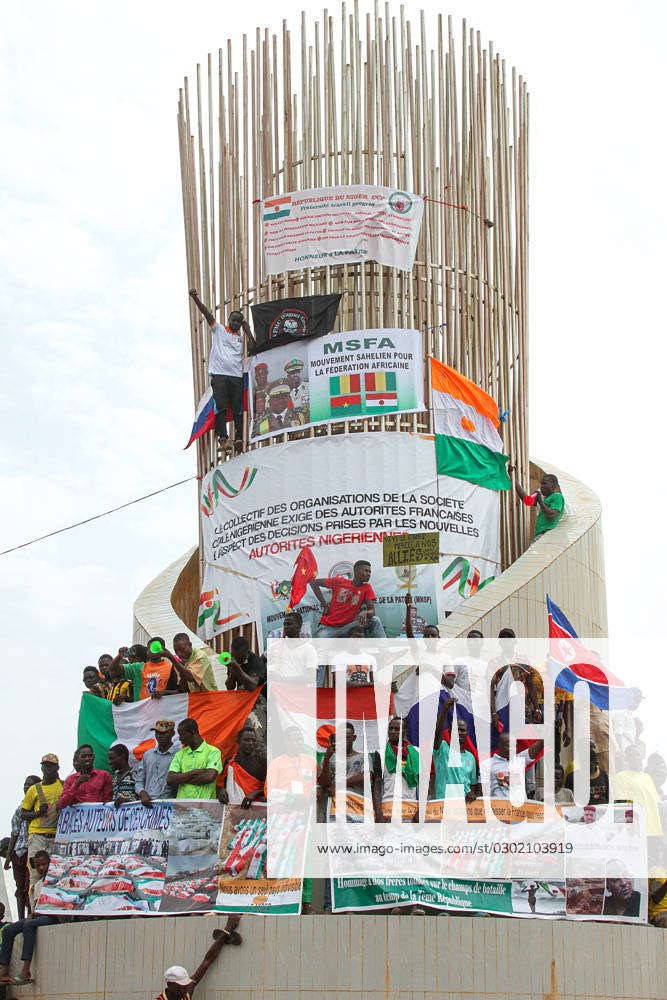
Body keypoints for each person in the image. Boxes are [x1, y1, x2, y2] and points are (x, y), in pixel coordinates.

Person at [189, 288, 256, 451]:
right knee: (220, 405)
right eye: (233, 320)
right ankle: (223, 438)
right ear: (228, 319)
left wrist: (247, 330)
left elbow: (254, 348)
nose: (235, 323)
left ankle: (239, 438)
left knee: (238, 407)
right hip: (219, 375)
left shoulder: (241, 339)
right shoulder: (219, 330)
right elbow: (207, 314)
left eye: (238, 321)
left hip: (236, 376)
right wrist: (195, 298)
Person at [0, 851, 58, 987]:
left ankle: (25, 970)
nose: (41, 868)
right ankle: (3, 970)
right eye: (38, 865)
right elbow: (35, 906)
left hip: (52, 917)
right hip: (38, 916)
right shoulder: (37, 885)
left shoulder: (57, 882)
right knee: (8, 930)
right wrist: (33, 914)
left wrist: (34, 914)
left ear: (50, 864)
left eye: (44, 864)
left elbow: (55, 905)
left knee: (28, 925)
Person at [156, 917, 242, 1000]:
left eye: (185, 985)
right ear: (169, 984)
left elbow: (207, 960)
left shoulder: (184, 994)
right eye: (181, 987)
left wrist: (226, 930)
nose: (184, 990)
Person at [311, 560, 386, 638]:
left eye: (370, 572)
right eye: (366, 571)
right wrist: (325, 606)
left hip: (349, 626)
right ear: (357, 571)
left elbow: (372, 611)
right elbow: (314, 583)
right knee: (321, 641)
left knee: (375, 620)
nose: (369, 574)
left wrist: (365, 612)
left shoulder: (366, 588)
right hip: (330, 627)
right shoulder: (339, 582)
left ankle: (384, 649)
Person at [21, 755, 63, 886]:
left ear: (57, 768)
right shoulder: (34, 789)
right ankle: (35, 904)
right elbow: (23, 813)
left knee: (56, 872)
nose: (47, 769)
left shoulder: (63, 786)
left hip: (56, 834)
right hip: (37, 835)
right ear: (41, 768)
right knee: (35, 873)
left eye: (50, 766)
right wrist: (38, 812)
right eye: (45, 766)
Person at [5, 776, 40, 919]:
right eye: (25, 784)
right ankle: (21, 919)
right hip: (19, 852)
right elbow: (14, 833)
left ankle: (30, 914)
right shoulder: (20, 809)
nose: (26, 787)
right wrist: (8, 856)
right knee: (20, 889)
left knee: (29, 886)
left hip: (32, 850)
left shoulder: (40, 807)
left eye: (30, 785)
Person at [432, 696, 478, 802]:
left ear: (467, 734)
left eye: (462, 730)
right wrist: (444, 709)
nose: (459, 732)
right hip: (443, 805)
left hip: (463, 807)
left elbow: (473, 785)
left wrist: (472, 794)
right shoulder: (442, 749)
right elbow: (437, 733)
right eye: (456, 729)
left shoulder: (470, 757)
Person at [372, 717, 419, 818]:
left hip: (411, 808)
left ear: (405, 731)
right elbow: (376, 784)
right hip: (388, 808)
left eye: (397, 729)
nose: (393, 732)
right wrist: (379, 813)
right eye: (391, 728)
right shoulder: (380, 753)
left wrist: (421, 810)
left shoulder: (417, 752)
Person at [167, 719, 222, 799]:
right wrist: (194, 772)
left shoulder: (213, 752)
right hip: (182, 807)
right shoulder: (180, 754)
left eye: (182, 735)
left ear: (193, 732)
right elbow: (170, 779)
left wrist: (182, 779)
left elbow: (209, 777)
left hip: (205, 807)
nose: (179, 739)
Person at [509, 466, 565, 541]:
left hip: (546, 535)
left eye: (545, 484)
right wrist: (512, 477)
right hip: (540, 534)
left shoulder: (557, 496)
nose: (542, 486)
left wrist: (540, 501)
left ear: (553, 485)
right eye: (541, 484)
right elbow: (527, 500)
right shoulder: (544, 498)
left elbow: (553, 515)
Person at [484, 732, 543, 801]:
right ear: (500, 745)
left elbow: (540, 744)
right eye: (509, 746)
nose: (513, 749)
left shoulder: (519, 759)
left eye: (515, 745)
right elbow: (482, 791)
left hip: (520, 808)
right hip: (499, 808)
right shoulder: (487, 764)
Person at [225, 636, 267, 732]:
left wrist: (237, 668)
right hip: (242, 701)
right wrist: (232, 671)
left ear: (246, 652)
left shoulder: (256, 661)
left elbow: (252, 686)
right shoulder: (233, 660)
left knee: (256, 731)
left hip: (259, 702)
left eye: (238, 656)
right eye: (233, 655)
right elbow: (230, 687)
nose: (235, 658)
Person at [219, 727, 266, 807]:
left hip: (253, 807)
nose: (251, 743)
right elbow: (222, 784)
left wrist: (255, 793)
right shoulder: (230, 761)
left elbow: (268, 788)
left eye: (253, 740)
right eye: (247, 740)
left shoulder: (261, 762)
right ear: (238, 741)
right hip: (232, 806)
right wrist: (221, 791)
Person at [135, 720, 179, 806]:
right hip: (147, 805)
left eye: (163, 733)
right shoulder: (147, 755)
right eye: (157, 732)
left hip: (168, 805)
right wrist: (142, 793)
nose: (159, 736)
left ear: (172, 733)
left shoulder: (178, 755)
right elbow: (139, 780)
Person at [564, 740, 609, 805]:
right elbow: (568, 800)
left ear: (596, 762)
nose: (585, 767)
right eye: (583, 764)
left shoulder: (603, 775)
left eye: (589, 765)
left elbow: (608, 797)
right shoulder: (572, 777)